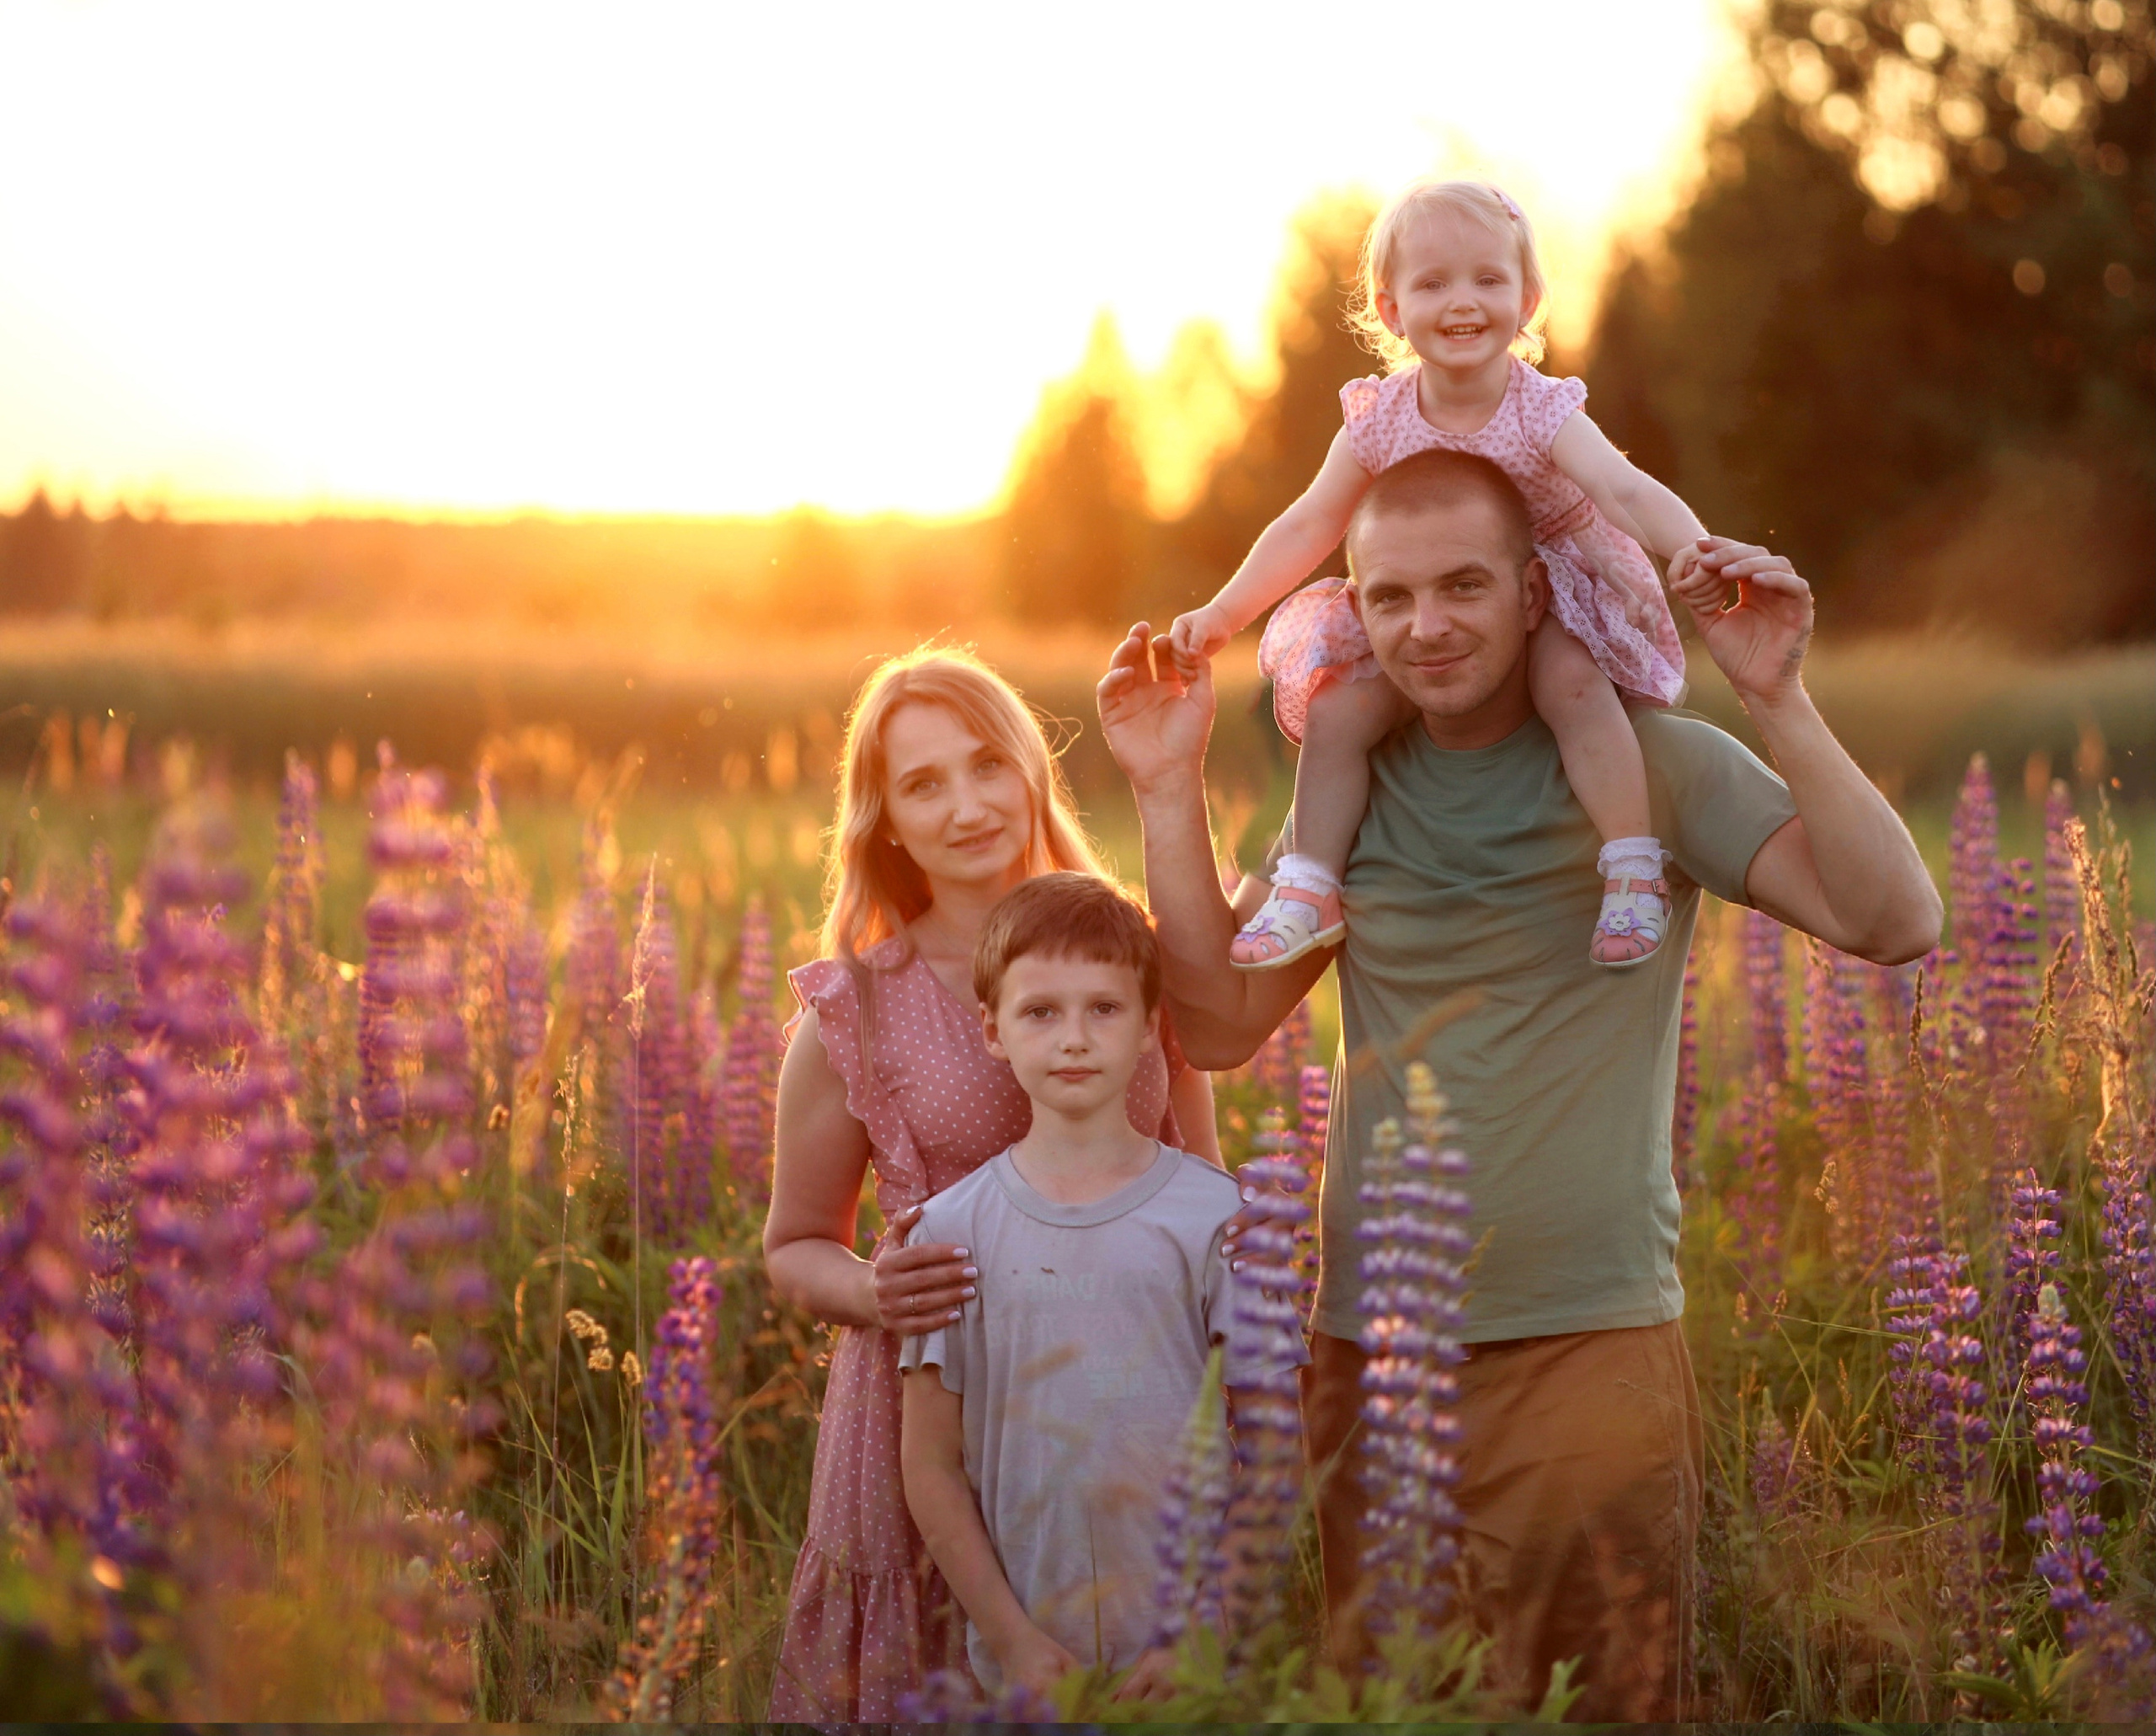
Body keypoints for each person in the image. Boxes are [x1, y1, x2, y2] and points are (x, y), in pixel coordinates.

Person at [1100, 447, 1942, 1720]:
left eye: (1462, 587)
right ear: (1355, 610)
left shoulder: (1654, 766)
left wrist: (1776, 697)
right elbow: (1216, 1024)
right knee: (1393, 1706)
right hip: (1375, 1350)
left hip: (1587, 1335)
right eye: (1389, 598)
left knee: (1596, 1703)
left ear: (1535, 589)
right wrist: (1166, 787)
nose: (1426, 627)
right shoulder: (1350, 790)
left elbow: (1895, 920)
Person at [762, 648, 1219, 1721]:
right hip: (933, 1412)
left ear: (1029, 773)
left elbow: (1205, 1190)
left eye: (985, 766)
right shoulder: (856, 1011)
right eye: (923, 784)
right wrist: (875, 1293)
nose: (966, 806)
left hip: (1128, 1391)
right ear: (883, 821)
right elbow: (793, 1246)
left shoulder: (1132, 961)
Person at [1168, 179, 1704, 974]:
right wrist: (1222, 613)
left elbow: (1621, 489)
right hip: (1430, 605)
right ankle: (1310, 884)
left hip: (1550, 583)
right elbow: (1310, 523)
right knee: (1340, 711)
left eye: (1489, 279)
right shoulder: (1380, 417)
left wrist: (1695, 550)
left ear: (1527, 298)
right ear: (1390, 310)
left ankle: (1632, 868)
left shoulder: (1543, 408)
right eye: (1433, 282)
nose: (1464, 301)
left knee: (1572, 687)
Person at [899, 873, 1305, 1701]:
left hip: (1197, 1666)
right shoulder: (948, 1230)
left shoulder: (1220, 1217)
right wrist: (1012, 1642)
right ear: (992, 1029)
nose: (1074, 1038)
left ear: (1152, 1026)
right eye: (1041, 1011)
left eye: (1104, 1009)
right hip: (1023, 1668)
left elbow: (1275, 1446)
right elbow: (931, 1465)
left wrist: (1211, 1626)